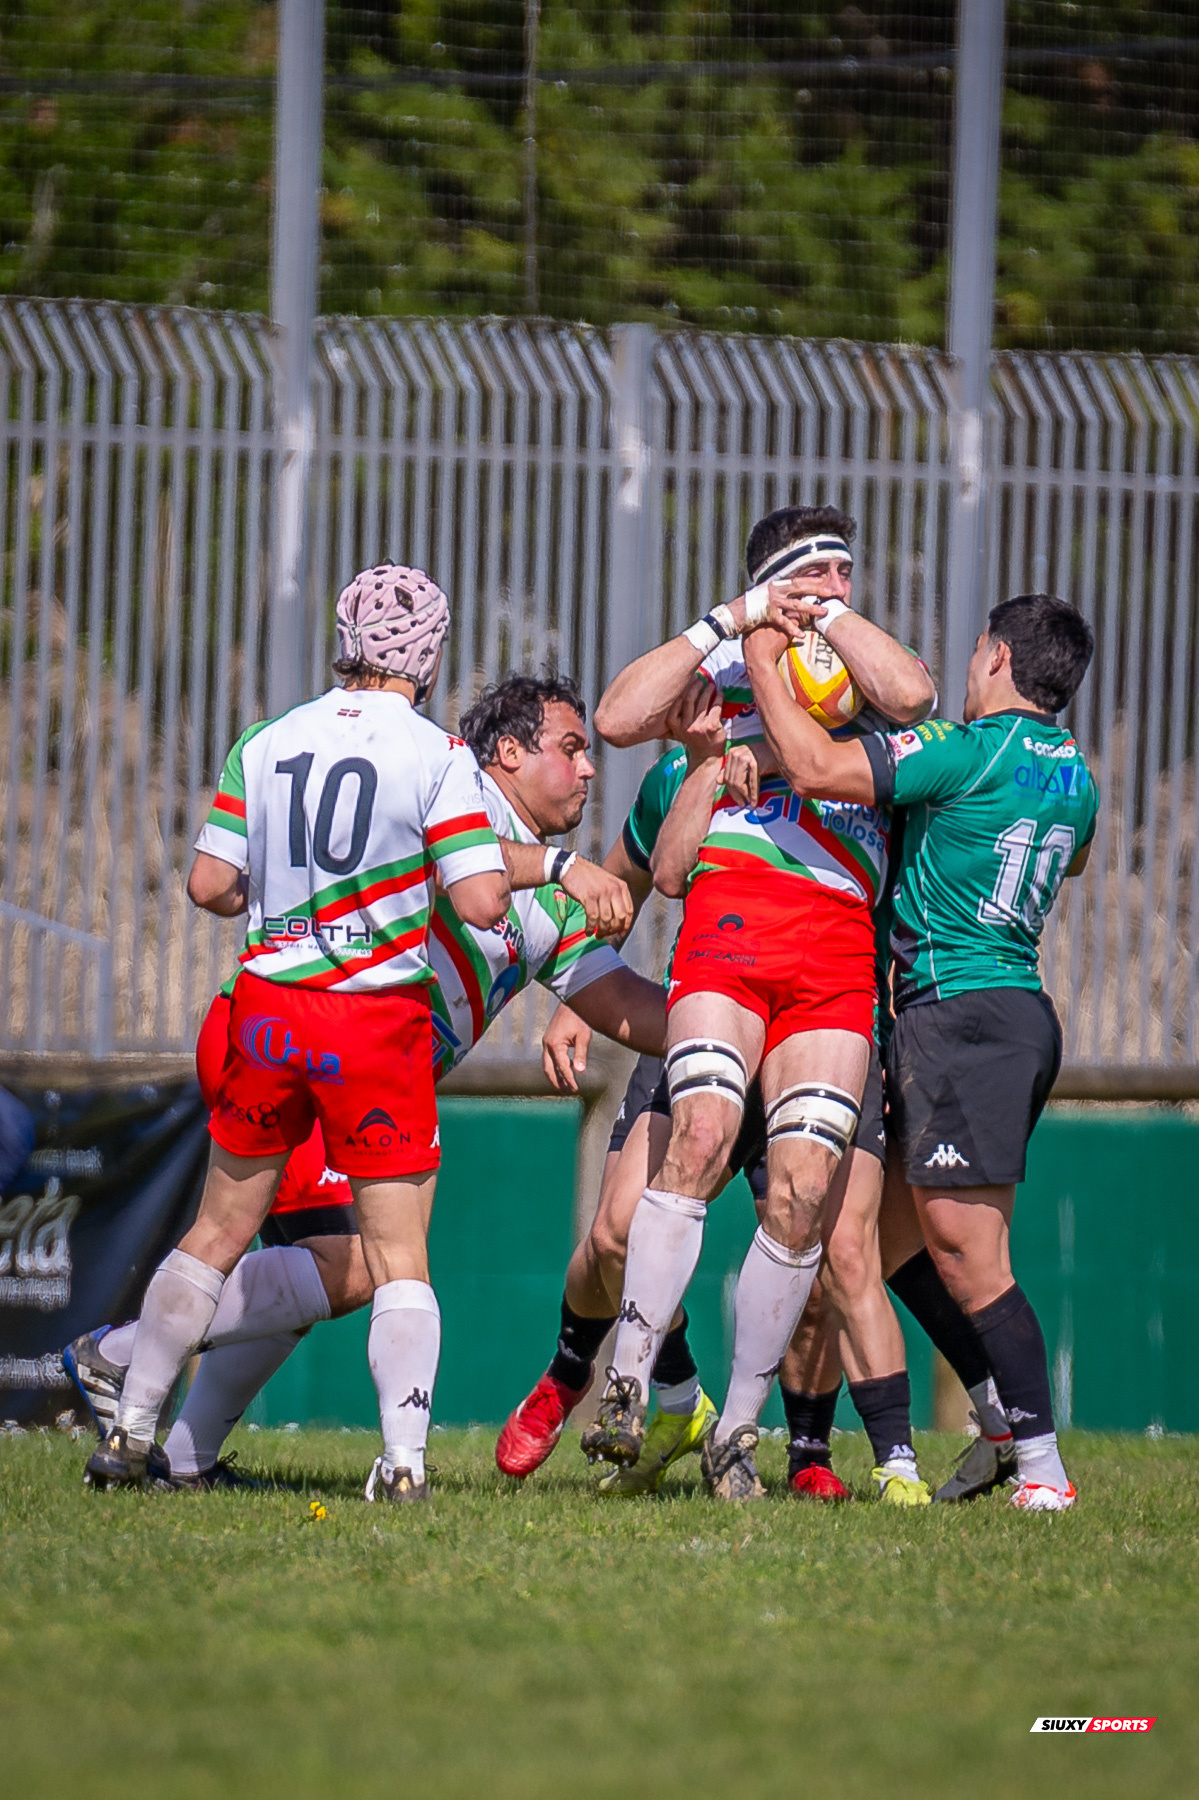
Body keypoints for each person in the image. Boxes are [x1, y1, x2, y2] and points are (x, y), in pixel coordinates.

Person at [71, 672, 668, 1490]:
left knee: (318, 1271)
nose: (589, 771)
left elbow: (629, 1006)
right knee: (352, 1264)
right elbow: (456, 864)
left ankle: (181, 1455)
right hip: (303, 1043)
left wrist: (736, 1027)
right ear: (507, 753)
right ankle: (120, 1356)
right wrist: (560, 864)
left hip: (346, 1064)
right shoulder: (450, 785)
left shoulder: (550, 910)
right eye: (570, 749)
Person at [83, 562, 512, 1500]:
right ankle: (401, 1465)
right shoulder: (440, 754)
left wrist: (276, 899)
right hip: (373, 1021)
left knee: (216, 1230)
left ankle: (126, 1435)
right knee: (398, 1256)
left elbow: (208, 885)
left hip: (269, 1011)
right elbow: (481, 900)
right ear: (430, 654)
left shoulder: (267, 738)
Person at [581, 503, 936, 1500]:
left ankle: (739, 1425)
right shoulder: (720, 684)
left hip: (832, 953)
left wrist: (823, 622)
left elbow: (911, 689)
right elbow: (614, 721)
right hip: (730, 931)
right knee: (695, 1135)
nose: (831, 590)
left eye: (842, 575)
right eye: (809, 575)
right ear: (769, 582)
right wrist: (736, 619)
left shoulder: (867, 698)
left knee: (803, 1194)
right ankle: (627, 1377)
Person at [740, 592, 1098, 1511]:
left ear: (993, 658)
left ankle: (1045, 1475)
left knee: (968, 1253)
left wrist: (765, 656)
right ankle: (996, 1425)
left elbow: (817, 766)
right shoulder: (1074, 772)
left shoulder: (962, 750)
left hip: (960, 1016)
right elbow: (1080, 855)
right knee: (894, 1243)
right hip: (1008, 1010)